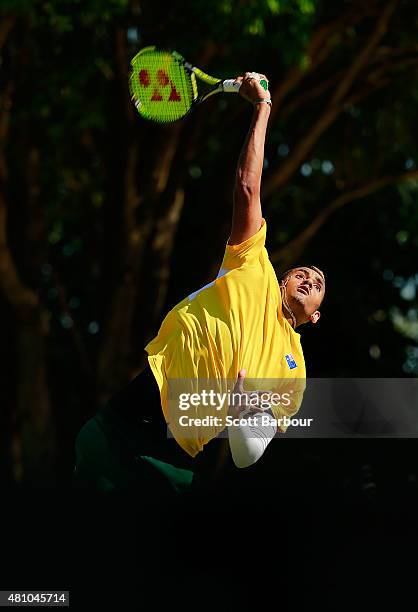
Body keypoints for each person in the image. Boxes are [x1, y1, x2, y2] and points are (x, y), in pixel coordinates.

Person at [73, 71, 326, 501]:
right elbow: (247, 188)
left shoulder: (294, 374)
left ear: (315, 316)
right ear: (285, 278)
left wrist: (246, 409)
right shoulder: (254, 266)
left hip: (174, 461)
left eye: (318, 283)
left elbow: (248, 454)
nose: (308, 279)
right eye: (302, 272)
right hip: (131, 414)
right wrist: (263, 108)